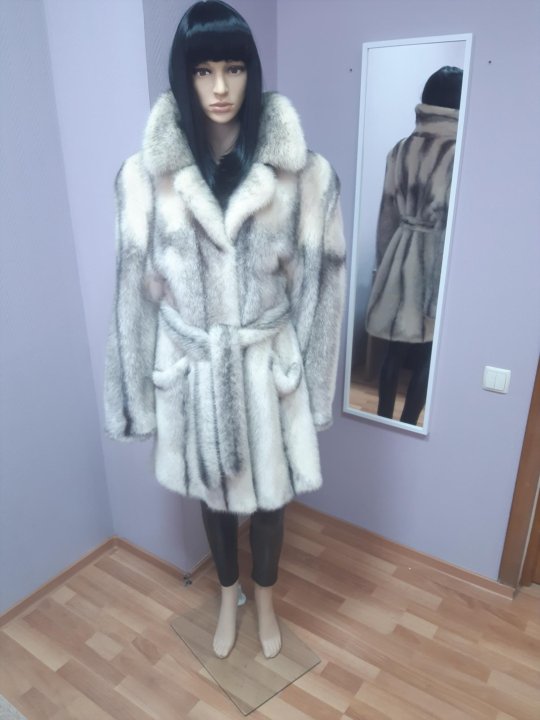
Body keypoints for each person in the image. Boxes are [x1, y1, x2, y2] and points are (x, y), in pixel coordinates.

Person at [104, 0, 345, 659]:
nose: (218, 87)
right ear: (183, 76)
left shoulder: (304, 177)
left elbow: (321, 294)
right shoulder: (144, 181)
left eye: (233, 69)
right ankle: (227, 597)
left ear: (251, 72)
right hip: (195, 375)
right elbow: (134, 294)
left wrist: (313, 391)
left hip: (267, 367)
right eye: (202, 69)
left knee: (270, 501)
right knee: (212, 499)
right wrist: (134, 398)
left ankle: (264, 602)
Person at [365, 66, 463, 425]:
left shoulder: (400, 149)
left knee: (393, 349)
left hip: (400, 254)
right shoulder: (460, 152)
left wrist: (384, 266)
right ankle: (407, 423)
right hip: (437, 259)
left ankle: (383, 419)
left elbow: (387, 213)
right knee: (426, 353)